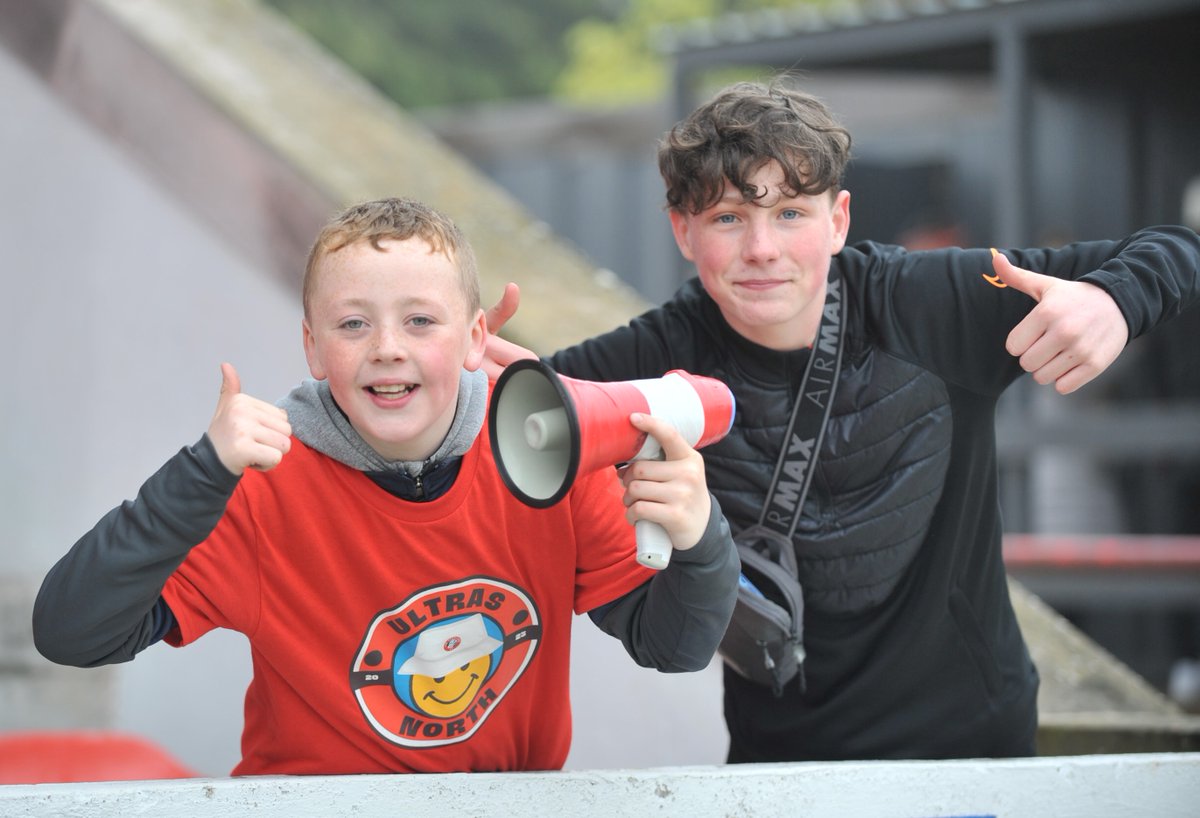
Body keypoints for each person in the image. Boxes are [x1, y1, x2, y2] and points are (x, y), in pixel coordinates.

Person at [484, 77, 1200, 762]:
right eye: (728, 217)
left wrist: (1114, 301)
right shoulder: (650, 356)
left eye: (790, 213)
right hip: (785, 768)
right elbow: (503, 429)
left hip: (977, 753)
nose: (761, 248)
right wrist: (463, 365)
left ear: (839, 220)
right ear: (682, 230)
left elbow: (1175, 247)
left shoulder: (932, 300)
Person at [32, 197, 738, 776]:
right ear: (312, 347)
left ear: (475, 337)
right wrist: (200, 472)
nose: (387, 348)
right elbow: (70, 633)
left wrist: (700, 534)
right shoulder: (256, 487)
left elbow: (674, 648)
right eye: (352, 324)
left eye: (421, 320)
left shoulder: (546, 451)